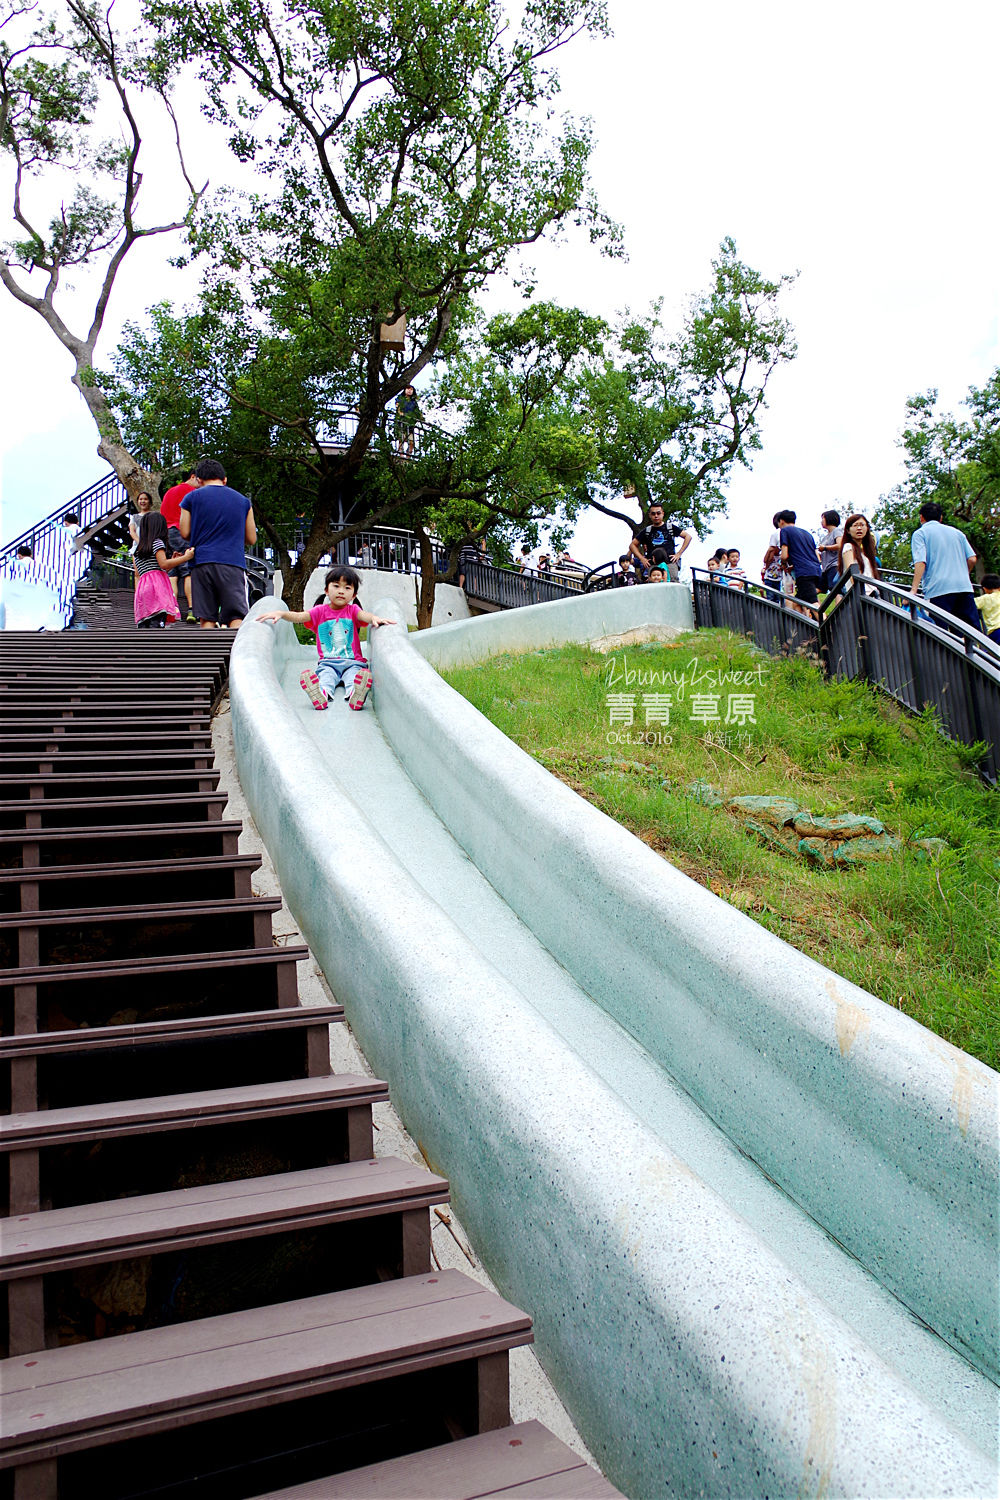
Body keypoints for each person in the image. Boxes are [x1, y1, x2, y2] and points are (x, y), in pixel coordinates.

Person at [257, 566, 395, 711]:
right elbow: (299, 616)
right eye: (336, 586)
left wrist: (374, 618)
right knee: (325, 679)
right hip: (328, 663)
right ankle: (321, 695)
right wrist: (282, 613)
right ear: (327, 590)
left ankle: (356, 694)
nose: (341, 591)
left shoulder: (353, 610)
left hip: (353, 662)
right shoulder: (319, 612)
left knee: (354, 678)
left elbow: (364, 616)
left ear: (353, 595)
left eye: (347, 588)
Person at [178, 459, 257, 628]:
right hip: (232, 562)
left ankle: (208, 654)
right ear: (225, 479)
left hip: (202, 562)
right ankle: (234, 654)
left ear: (198, 480)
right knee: (236, 615)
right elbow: (251, 538)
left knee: (206, 617)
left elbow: (184, 532)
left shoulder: (190, 498)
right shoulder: (243, 501)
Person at [910, 502, 979, 632]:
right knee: (968, 634)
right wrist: (964, 574)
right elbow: (972, 559)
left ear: (921, 517)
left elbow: (920, 562)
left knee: (941, 634)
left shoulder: (920, 534)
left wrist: (914, 590)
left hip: (938, 589)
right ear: (940, 517)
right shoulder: (957, 533)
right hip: (964, 587)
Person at [132, 513, 194, 629]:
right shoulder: (157, 543)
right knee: (157, 623)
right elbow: (164, 564)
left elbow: (155, 568)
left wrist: (174, 560)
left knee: (146, 624)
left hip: (143, 589)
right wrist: (186, 557)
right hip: (156, 589)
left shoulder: (138, 549)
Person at [160, 469, 199, 621]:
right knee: (187, 571)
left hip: (166, 534)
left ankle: (173, 608)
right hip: (182, 532)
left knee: (172, 573)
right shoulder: (191, 492)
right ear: (193, 477)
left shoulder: (169, 492)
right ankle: (191, 609)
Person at [629, 504, 693, 582]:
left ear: (662, 513)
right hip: (653, 564)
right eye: (653, 513)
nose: (656, 516)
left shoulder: (670, 527)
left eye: (658, 513)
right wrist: (642, 559)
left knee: (672, 584)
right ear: (649, 515)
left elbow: (688, 537)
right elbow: (632, 545)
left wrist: (679, 554)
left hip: (670, 563)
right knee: (654, 587)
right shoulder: (647, 531)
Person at [778, 509, 823, 610]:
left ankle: (827, 625)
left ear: (781, 521)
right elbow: (817, 556)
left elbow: (784, 555)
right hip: (816, 570)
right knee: (798, 603)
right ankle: (802, 625)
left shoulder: (784, 531)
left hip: (803, 573)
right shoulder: (806, 533)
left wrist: (783, 563)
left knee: (813, 603)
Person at [837, 514, 880, 591]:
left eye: (862, 525)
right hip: (861, 594)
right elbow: (852, 573)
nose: (859, 528)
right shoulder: (848, 547)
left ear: (867, 528)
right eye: (855, 525)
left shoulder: (866, 551)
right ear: (848, 530)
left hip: (872, 594)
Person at [817, 509, 843, 592]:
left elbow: (840, 545)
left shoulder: (837, 531)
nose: (821, 521)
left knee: (836, 590)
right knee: (819, 588)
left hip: (834, 565)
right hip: (826, 568)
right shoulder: (825, 537)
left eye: (823, 518)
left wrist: (825, 548)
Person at [394, 385, 421, 456]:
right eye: (408, 389)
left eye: (411, 389)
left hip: (410, 423)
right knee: (401, 438)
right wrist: (401, 414)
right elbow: (398, 408)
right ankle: (401, 454)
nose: (409, 391)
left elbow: (417, 412)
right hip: (401, 421)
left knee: (411, 441)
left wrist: (419, 418)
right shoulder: (400, 398)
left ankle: (409, 455)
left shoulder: (413, 402)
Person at [973, 574, 1000, 644]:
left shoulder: (985, 598)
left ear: (985, 589)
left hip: (996, 630)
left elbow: (970, 604)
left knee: (991, 651)